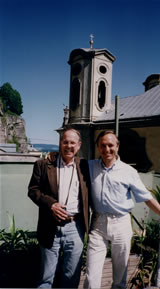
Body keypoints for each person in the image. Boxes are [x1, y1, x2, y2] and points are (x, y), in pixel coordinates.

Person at [84, 130, 160, 289]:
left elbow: (146, 197)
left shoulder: (129, 172)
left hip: (121, 224)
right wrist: (52, 156)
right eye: (103, 146)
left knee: (119, 280)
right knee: (91, 279)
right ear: (98, 147)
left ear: (117, 147)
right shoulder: (89, 167)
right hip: (98, 224)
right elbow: (70, 162)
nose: (107, 150)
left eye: (110, 145)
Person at [28, 128, 90, 288]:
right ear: (60, 143)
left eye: (72, 143)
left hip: (75, 228)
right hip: (50, 226)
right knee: (46, 278)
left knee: (71, 277)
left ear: (79, 145)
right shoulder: (43, 164)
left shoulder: (85, 166)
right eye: (65, 142)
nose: (68, 146)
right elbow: (33, 190)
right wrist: (51, 205)